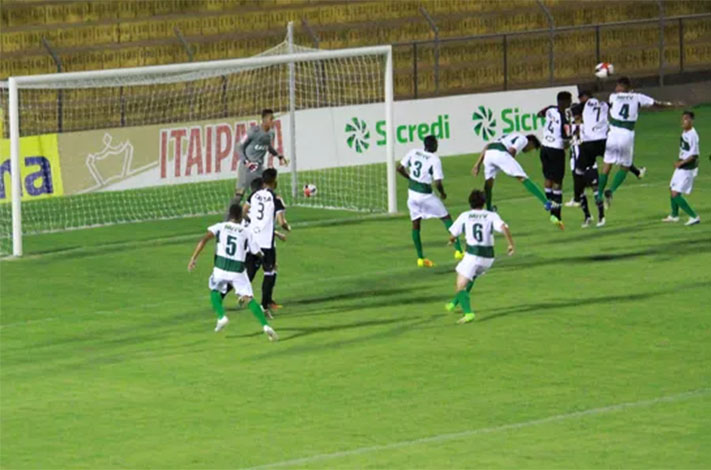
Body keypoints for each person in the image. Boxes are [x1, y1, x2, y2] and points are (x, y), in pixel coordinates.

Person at [187, 203, 278, 341]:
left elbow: (204, 240)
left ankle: (221, 316)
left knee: (214, 291)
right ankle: (265, 326)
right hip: (238, 269)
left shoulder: (220, 226)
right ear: (241, 217)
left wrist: (193, 258)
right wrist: (267, 260)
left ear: (229, 215)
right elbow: (256, 252)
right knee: (249, 299)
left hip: (221, 266)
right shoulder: (246, 231)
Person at [598, 77, 673, 207]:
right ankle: (611, 190)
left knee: (607, 164)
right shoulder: (638, 97)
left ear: (622, 87)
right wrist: (670, 105)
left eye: (618, 86)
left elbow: (611, 104)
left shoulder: (613, 97)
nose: (616, 89)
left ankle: (598, 195)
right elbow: (655, 104)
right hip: (626, 134)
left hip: (613, 133)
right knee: (626, 166)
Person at [445, 189, 515, 324]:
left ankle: (468, 313)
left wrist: (451, 240)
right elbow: (505, 228)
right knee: (471, 277)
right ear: (483, 203)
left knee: (460, 285)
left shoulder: (465, 215)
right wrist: (511, 245)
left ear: (470, 202)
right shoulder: (491, 215)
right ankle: (454, 303)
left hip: (473, 255)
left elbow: (453, 234)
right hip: (488, 258)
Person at [397, 135, 463, 267]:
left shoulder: (413, 152)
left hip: (412, 195)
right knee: (446, 218)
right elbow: (437, 182)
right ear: (433, 145)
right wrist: (442, 193)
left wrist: (410, 178)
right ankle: (459, 251)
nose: (437, 145)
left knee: (416, 224)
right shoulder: (434, 159)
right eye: (436, 143)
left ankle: (420, 258)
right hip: (426, 195)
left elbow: (399, 168)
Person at [472, 133, 560, 227]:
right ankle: (546, 203)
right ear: (531, 142)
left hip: (489, 154)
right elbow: (512, 150)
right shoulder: (523, 139)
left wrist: (477, 164)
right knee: (523, 178)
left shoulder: (509, 135)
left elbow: (487, 146)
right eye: (532, 148)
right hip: (500, 153)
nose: (529, 150)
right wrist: (509, 164)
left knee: (488, 184)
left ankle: (489, 209)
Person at [243, 169, 291, 317]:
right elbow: (281, 221)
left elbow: (244, 212)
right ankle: (264, 306)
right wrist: (287, 227)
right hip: (266, 243)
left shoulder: (254, 195)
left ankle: (240, 293)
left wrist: (254, 223)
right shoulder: (276, 198)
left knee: (249, 271)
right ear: (274, 182)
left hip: (253, 240)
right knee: (270, 271)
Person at [232, 109, 288, 206]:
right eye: (271, 119)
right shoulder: (253, 131)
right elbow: (239, 146)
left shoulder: (271, 133)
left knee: (263, 192)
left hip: (259, 168)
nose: (273, 121)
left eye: (273, 119)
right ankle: (229, 217)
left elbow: (268, 147)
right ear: (264, 120)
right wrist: (246, 161)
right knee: (239, 195)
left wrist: (278, 156)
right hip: (247, 168)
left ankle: (256, 216)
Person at [570, 91, 607, 227]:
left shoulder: (588, 126)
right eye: (575, 115)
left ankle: (601, 216)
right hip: (575, 161)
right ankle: (587, 216)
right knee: (581, 191)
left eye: (577, 114)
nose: (576, 116)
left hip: (588, 160)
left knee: (595, 187)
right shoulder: (571, 127)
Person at [537, 91, 572, 224]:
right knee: (558, 183)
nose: (569, 103)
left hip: (544, 147)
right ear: (564, 102)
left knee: (548, 178)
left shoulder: (550, 109)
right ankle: (556, 214)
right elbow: (566, 138)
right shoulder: (564, 117)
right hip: (556, 150)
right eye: (569, 101)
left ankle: (549, 204)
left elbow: (539, 114)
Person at [662, 110, 701, 226]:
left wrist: (681, 163)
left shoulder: (693, 135)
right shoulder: (685, 132)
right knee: (671, 188)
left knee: (675, 193)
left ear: (691, 121)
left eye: (686, 119)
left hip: (687, 167)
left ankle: (694, 216)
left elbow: (694, 155)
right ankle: (674, 215)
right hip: (682, 165)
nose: (683, 121)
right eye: (682, 119)